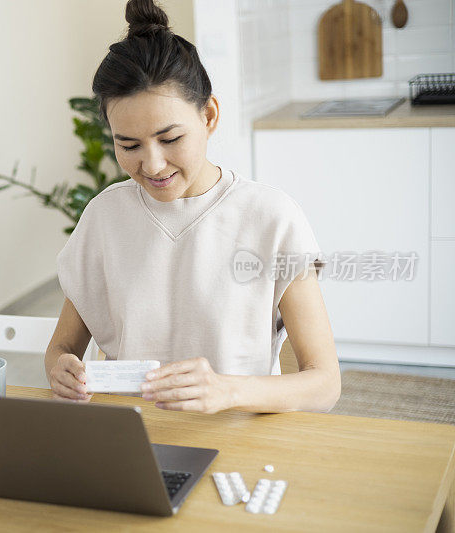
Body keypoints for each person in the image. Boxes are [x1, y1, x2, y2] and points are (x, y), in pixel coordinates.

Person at [43, 0, 340, 414]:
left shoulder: (272, 218)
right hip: (128, 437)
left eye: (169, 139)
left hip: (236, 436)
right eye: (128, 145)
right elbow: (61, 347)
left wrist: (227, 391)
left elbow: (324, 383)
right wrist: (61, 368)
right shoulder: (104, 217)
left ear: (209, 116)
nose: (152, 164)